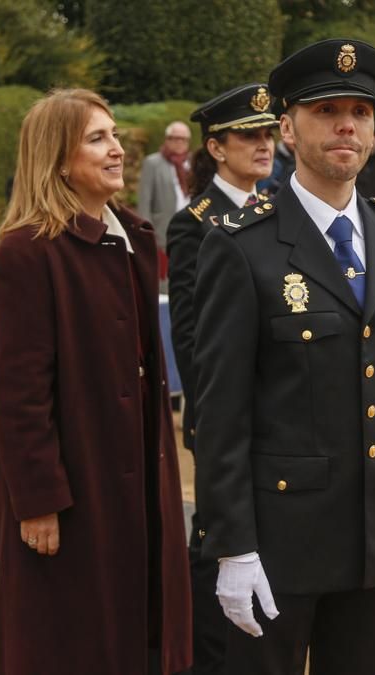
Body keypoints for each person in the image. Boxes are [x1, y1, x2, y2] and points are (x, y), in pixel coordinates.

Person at [192, 39, 375, 675]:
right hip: (282, 541)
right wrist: (232, 546)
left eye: (361, 112)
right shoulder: (242, 247)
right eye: (325, 109)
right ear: (287, 127)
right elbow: (221, 411)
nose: (346, 125)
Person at [0, 89, 191, 675]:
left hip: (136, 476)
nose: (116, 149)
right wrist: (39, 502)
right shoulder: (27, 252)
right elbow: (18, 394)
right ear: (57, 158)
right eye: (97, 139)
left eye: (116, 135)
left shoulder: (133, 235)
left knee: (136, 629)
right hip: (75, 489)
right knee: (70, 639)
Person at [165, 82, 277, 675]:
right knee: (220, 543)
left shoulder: (281, 208)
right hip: (224, 415)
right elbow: (190, 337)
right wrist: (208, 421)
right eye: (248, 136)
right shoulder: (195, 225)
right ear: (215, 147)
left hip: (281, 413)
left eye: (268, 133)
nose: (264, 145)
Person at [138, 120, 193, 283]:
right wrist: (146, 233)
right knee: (164, 279)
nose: (179, 142)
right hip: (163, 230)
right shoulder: (153, 163)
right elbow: (144, 200)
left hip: (189, 228)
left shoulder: (191, 162)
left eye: (183, 139)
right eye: (175, 138)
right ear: (167, 139)